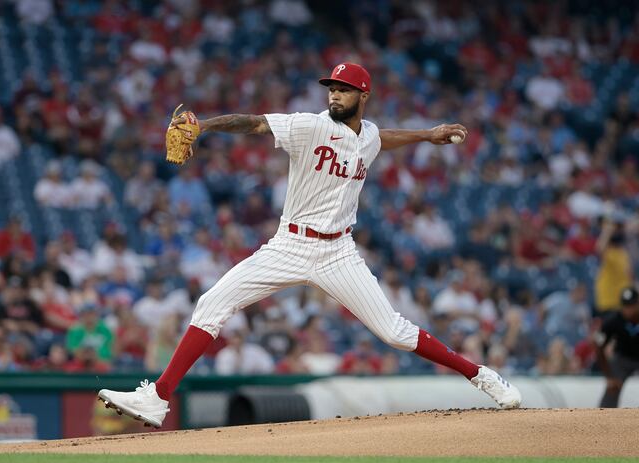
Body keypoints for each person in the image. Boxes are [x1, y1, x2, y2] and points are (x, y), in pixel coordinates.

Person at [99, 62, 521, 428]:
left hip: (339, 253)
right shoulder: (310, 125)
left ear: (363, 95)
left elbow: (380, 137)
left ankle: (480, 375)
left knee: (393, 331)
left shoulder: (367, 135)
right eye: (332, 89)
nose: (334, 96)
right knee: (211, 303)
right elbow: (255, 122)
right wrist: (204, 127)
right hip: (289, 245)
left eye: (343, 90)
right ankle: (158, 397)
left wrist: (428, 134)